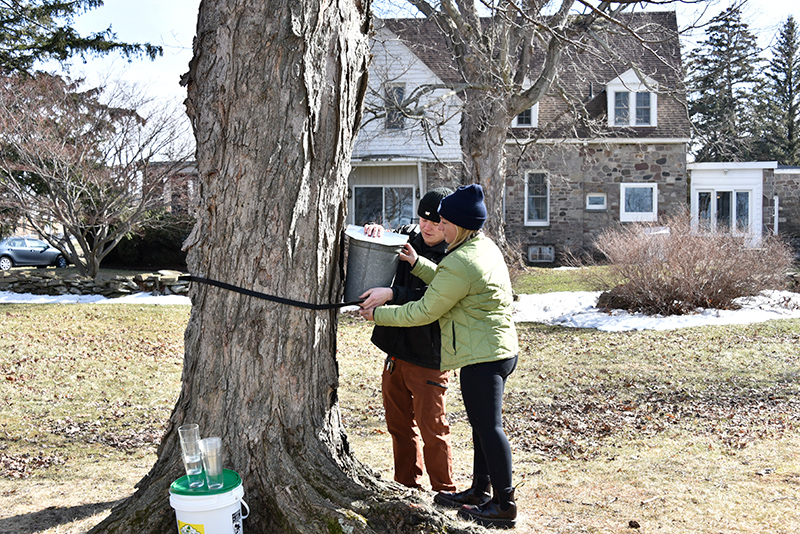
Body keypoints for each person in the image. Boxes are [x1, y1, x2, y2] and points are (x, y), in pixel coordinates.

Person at [359, 184, 520, 529]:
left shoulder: (461, 259)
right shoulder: (480, 246)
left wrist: (379, 314)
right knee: (481, 427)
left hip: (485, 355)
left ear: (459, 224)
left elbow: (424, 311)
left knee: (490, 429)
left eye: (444, 222)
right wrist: (417, 264)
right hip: (495, 350)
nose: (437, 227)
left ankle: (504, 505)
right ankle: (479, 491)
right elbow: (446, 280)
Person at [361, 187, 456, 493]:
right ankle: (406, 488)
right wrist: (376, 232)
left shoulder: (454, 257)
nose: (428, 227)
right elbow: (382, 240)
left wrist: (393, 295)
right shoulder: (407, 238)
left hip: (429, 359)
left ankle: (445, 492)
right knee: (399, 427)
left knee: (433, 430)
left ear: (450, 224)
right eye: (423, 219)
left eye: (437, 223)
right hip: (395, 354)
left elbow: (434, 299)